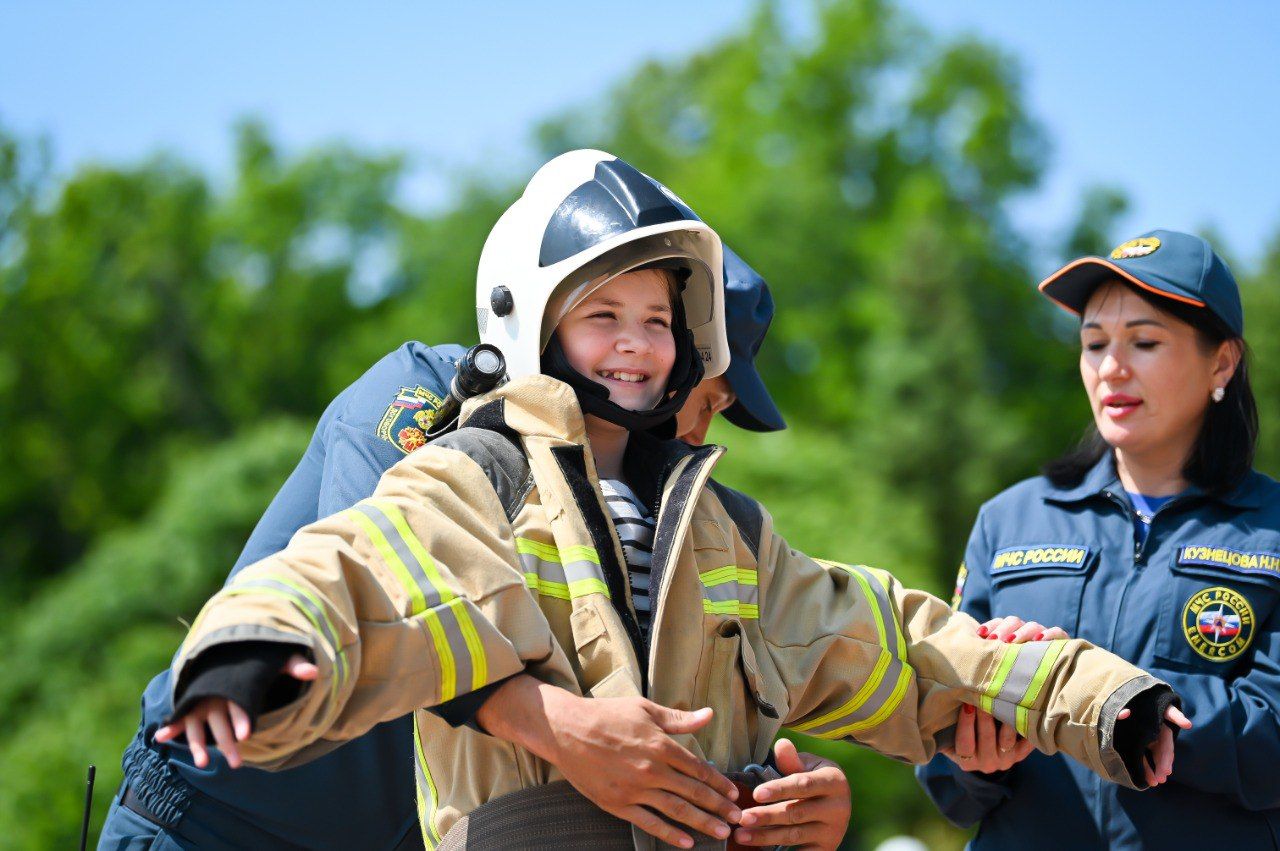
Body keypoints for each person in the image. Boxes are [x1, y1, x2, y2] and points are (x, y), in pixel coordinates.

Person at [157, 151, 1180, 851]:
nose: (640, 347)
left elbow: (900, 638)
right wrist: (247, 655)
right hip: (236, 821)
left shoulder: (725, 532)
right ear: (533, 320)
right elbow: (352, 579)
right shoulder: (465, 463)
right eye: (603, 315)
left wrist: (1090, 700)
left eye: (658, 320)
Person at [98, 242, 849, 849]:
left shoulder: (634, 511)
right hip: (216, 822)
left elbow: (646, 724)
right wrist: (560, 729)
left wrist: (777, 793)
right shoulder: (431, 399)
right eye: (707, 400)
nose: (699, 435)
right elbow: (391, 591)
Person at [916, 229, 1278, 849]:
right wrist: (969, 751)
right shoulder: (1010, 521)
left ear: (1221, 362)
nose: (1111, 367)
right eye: (1094, 343)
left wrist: (1111, 698)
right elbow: (942, 768)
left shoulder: (1269, 529)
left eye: (1145, 341)